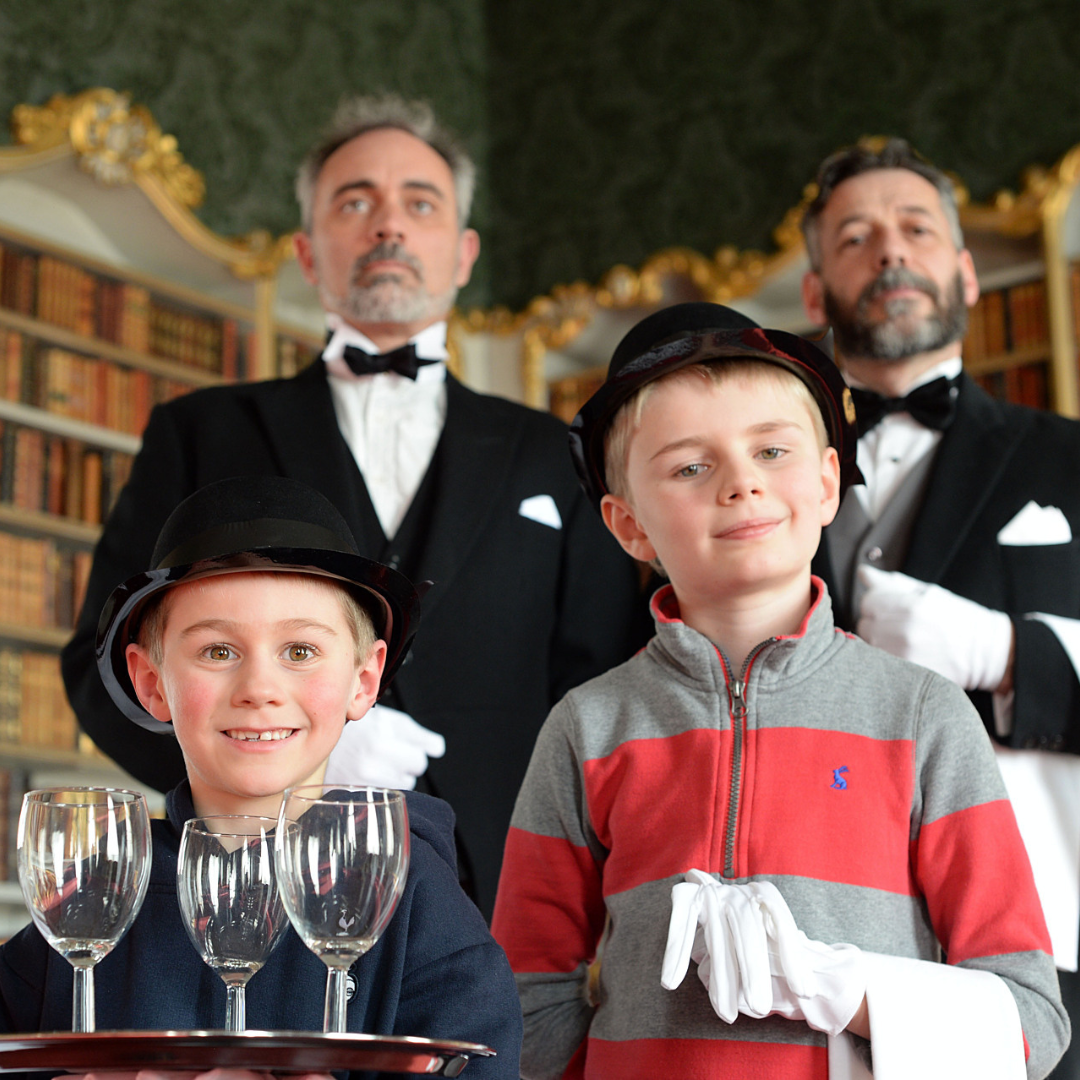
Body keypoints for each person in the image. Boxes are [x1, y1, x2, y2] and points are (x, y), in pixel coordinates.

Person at [60, 94, 644, 920]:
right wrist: (282, 760)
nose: (388, 227)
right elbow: (102, 660)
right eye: (355, 202)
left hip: (505, 892)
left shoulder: (555, 451)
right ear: (307, 251)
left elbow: (605, 678)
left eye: (419, 203)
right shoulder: (200, 431)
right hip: (248, 882)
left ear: (464, 250)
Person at [490, 302, 1067, 1079]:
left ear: (828, 483)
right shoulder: (586, 727)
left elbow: (1031, 1021)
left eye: (771, 450)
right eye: (690, 466)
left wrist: (853, 990)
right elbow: (524, 1000)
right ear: (628, 525)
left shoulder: (924, 715)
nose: (741, 484)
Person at [2, 475, 522, 1079]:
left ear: (364, 678)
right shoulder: (98, 891)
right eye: (218, 651)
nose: (259, 691)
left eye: (300, 651)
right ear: (151, 682)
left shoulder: (416, 897)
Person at [800, 138, 1080, 1078]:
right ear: (814, 293)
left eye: (915, 228)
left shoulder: (1069, 458)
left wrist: (1005, 652)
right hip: (808, 957)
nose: (889, 252)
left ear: (962, 269)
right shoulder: (756, 485)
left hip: (1037, 949)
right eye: (855, 236)